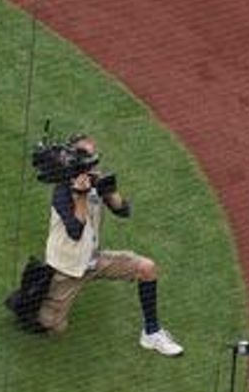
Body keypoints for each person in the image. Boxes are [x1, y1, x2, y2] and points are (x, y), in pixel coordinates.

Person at [36, 136, 184, 356]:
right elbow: (75, 231)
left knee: (147, 269)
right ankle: (33, 298)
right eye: (88, 157)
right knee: (51, 326)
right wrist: (80, 196)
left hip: (93, 260)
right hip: (66, 269)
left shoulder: (95, 181)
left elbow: (123, 211)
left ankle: (151, 333)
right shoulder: (62, 191)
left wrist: (110, 190)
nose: (94, 162)